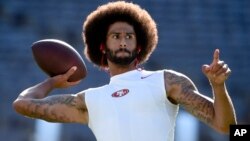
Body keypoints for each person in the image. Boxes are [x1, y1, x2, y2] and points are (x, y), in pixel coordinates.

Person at [13, 1, 237, 141]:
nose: (122, 42)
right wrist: (54, 81)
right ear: (103, 46)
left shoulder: (167, 81)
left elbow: (227, 127)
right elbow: (22, 104)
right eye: (115, 36)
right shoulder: (88, 101)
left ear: (139, 46)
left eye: (129, 37)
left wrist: (218, 86)